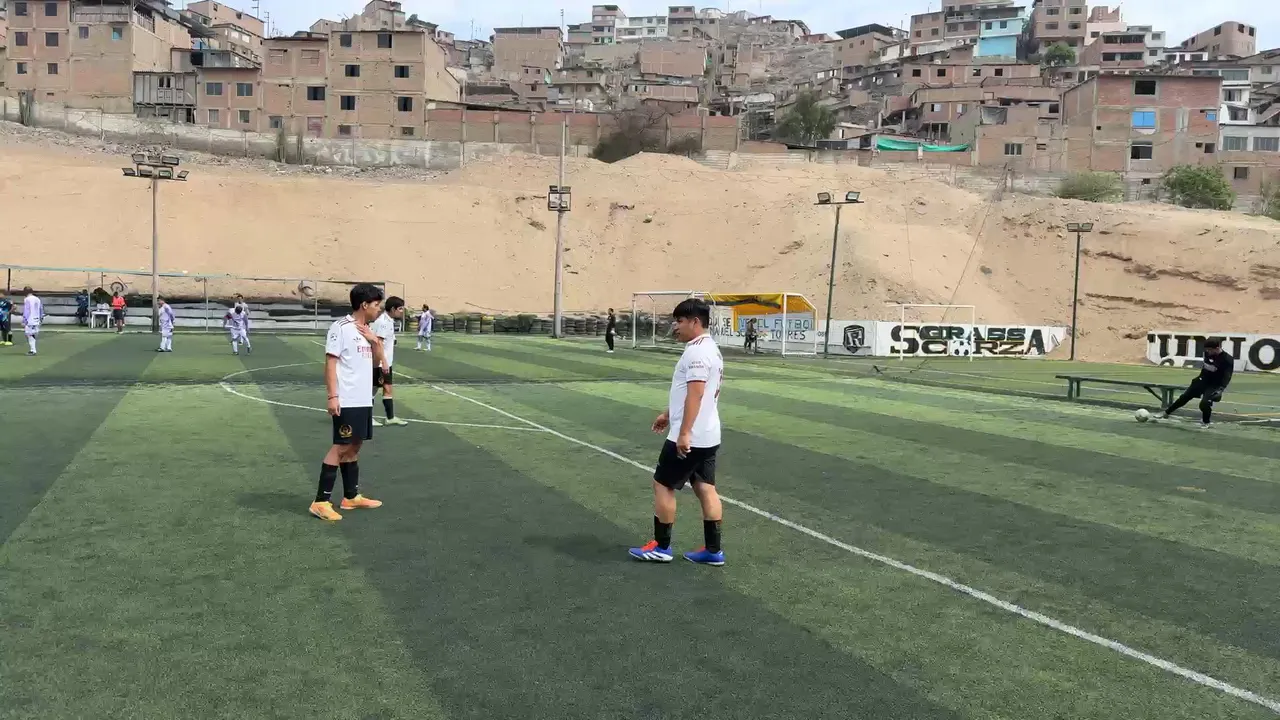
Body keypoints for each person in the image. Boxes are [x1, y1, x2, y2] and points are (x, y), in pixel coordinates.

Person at [630, 298, 725, 566]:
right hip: (709, 434)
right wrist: (668, 413)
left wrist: (684, 433)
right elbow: (693, 394)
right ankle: (713, 551)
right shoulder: (710, 348)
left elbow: (696, 394)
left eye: (680, 321)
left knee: (662, 484)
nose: (676, 326)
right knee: (705, 487)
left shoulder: (697, 353)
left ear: (695, 322)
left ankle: (661, 547)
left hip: (691, 436)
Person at [310, 283, 386, 522]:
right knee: (341, 447)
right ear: (364, 305)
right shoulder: (341, 328)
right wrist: (333, 396)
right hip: (347, 398)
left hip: (363, 398)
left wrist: (375, 342)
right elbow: (330, 363)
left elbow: (378, 364)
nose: (379, 310)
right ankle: (320, 502)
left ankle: (351, 497)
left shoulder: (368, 330)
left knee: (355, 446)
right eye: (376, 305)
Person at [1161, 337, 1234, 428]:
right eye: (1206, 350)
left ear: (1217, 348)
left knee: (1204, 404)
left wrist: (1221, 389)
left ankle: (1206, 422)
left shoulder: (1227, 359)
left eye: (1209, 350)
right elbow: (1206, 367)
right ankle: (1166, 413)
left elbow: (1227, 376)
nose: (1207, 351)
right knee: (1184, 397)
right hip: (1202, 380)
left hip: (1215, 384)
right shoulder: (1207, 353)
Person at [371, 296, 409, 427]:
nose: (402, 311)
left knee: (387, 389)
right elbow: (378, 343)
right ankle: (367, 418)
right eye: (400, 309)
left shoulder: (389, 321)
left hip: (386, 362)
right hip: (380, 363)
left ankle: (390, 417)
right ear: (393, 309)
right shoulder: (383, 322)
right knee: (373, 390)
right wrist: (384, 362)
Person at [22, 287, 44, 356]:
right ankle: (33, 349)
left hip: (30, 320)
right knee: (32, 334)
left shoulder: (27, 299)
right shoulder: (37, 299)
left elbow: (27, 310)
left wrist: (24, 320)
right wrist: (41, 318)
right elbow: (41, 309)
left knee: (29, 334)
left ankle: (33, 350)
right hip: (37, 319)